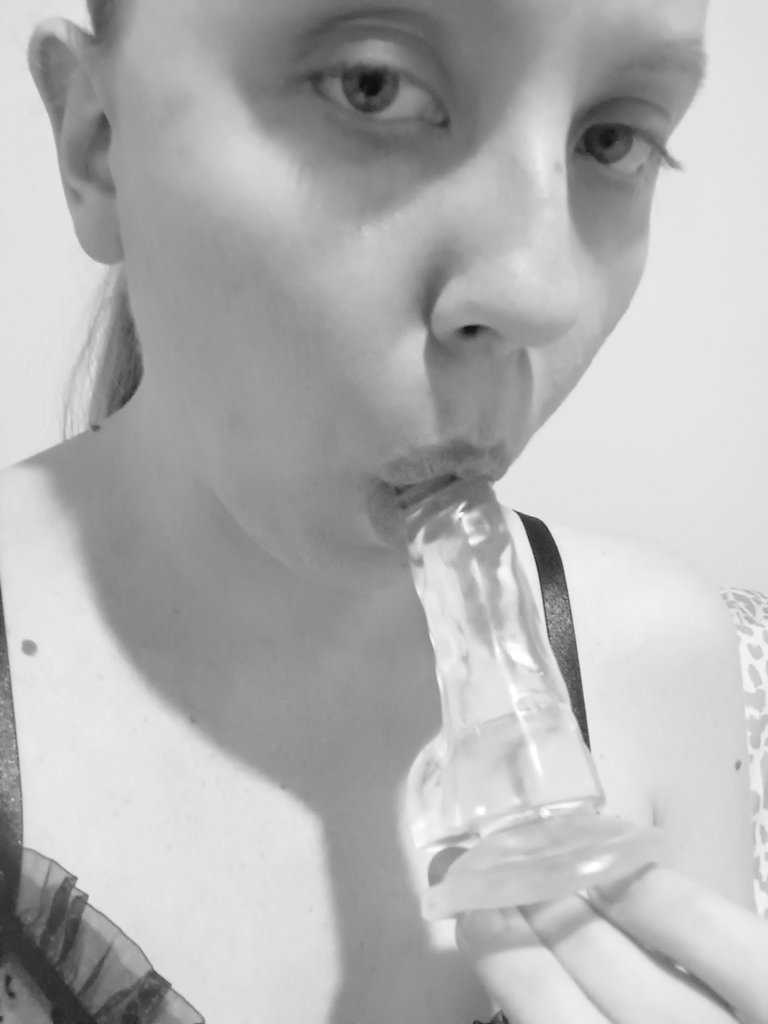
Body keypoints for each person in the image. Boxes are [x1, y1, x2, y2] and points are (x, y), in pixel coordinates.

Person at [0, 0, 765, 1021]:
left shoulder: (662, 661)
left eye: (612, 138)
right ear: (99, 141)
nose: (543, 294)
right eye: (373, 87)